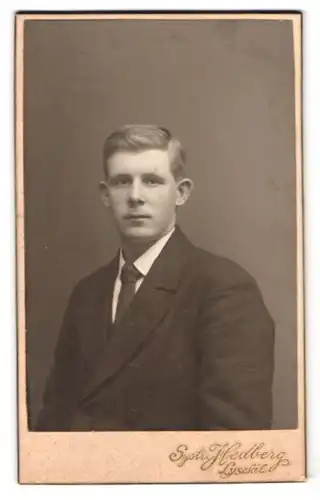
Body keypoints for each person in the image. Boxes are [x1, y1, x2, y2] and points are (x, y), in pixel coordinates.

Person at [36, 124, 275, 431]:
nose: (135, 197)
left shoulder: (223, 288)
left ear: (181, 193)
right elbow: (53, 424)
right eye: (122, 182)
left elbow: (233, 441)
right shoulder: (87, 293)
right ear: (105, 194)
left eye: (151, 181)